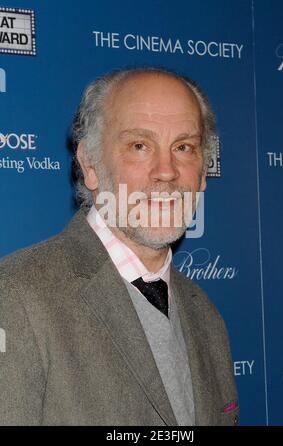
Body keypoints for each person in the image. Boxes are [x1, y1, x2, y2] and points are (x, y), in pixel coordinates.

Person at [0, 68, 238, 426]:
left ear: (204, 172)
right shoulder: (16, 296)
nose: (167, 171)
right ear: (90, 165)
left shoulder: (206, 315)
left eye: (184, 147)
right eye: (140, 145)